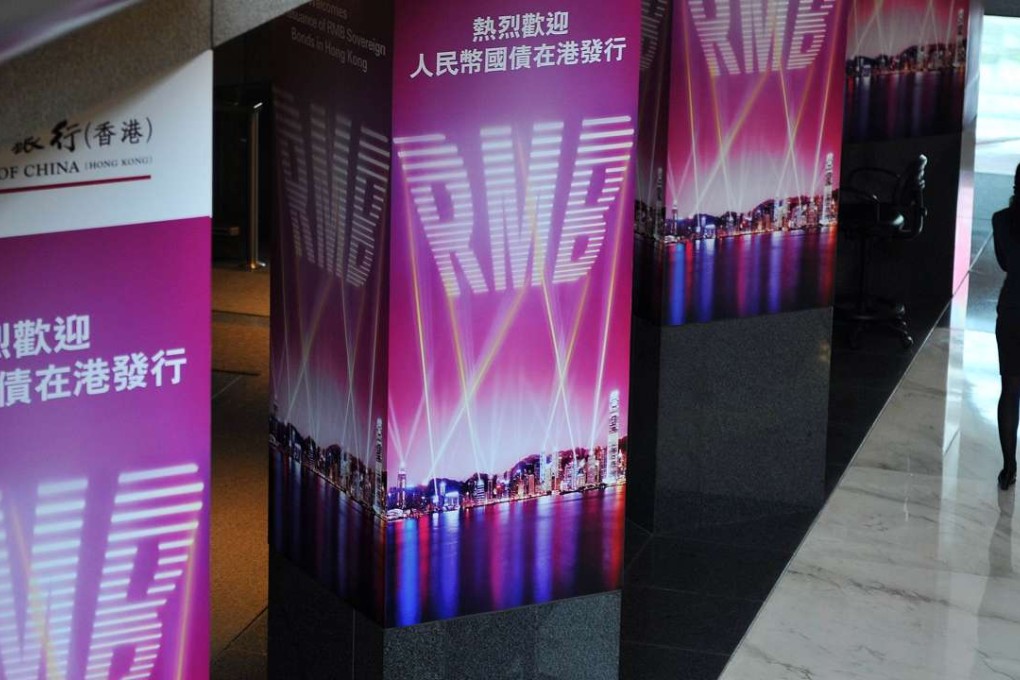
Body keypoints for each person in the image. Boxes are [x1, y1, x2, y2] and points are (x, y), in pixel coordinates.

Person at [992, 164, 1020, 490]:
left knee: (1010, 390)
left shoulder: (1001, 219)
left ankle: (1009, 466)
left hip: (1012, 310)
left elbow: (1003, 263)